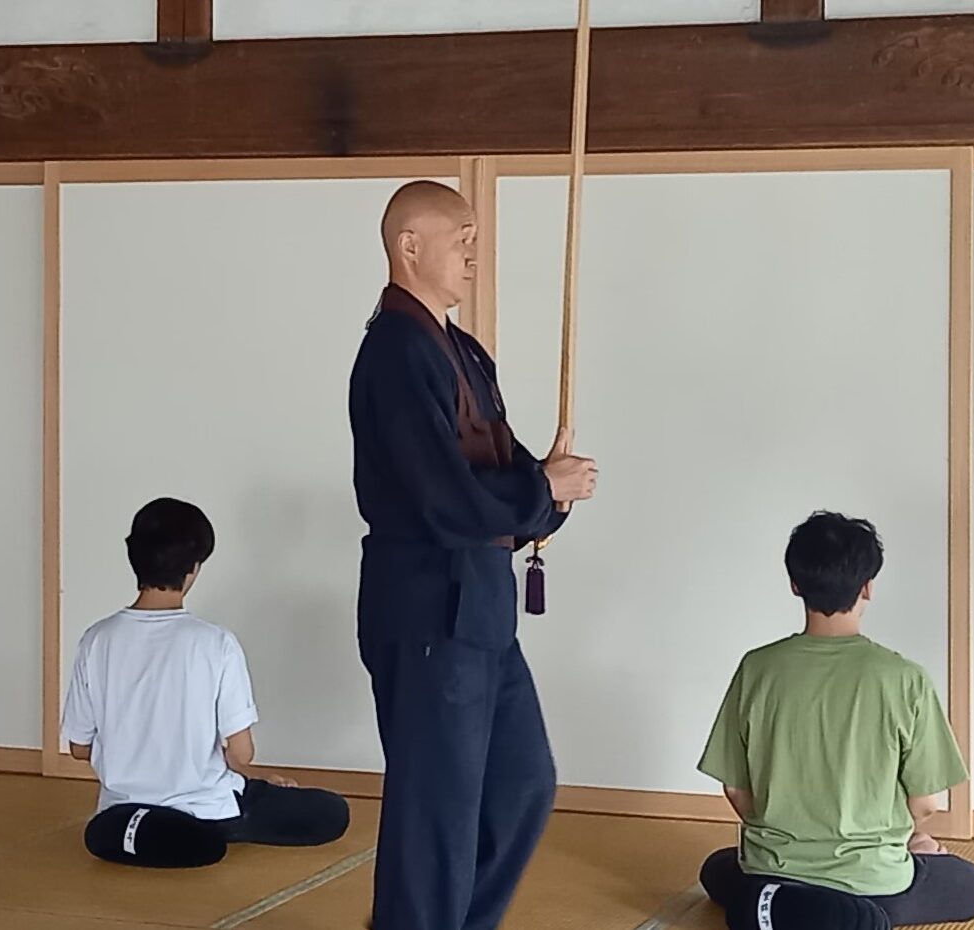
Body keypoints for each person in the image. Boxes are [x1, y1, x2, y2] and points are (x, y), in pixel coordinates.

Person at [348, 180, 599, 930]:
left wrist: (551, 492)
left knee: (523, 784)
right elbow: (444, 501)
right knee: (437, 811)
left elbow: (505, 477)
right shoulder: (393, 354)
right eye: (462, 241)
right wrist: (536, 492)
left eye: (475, 244)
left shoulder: (462, 352)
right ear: (409, 246)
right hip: (428, 605)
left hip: (481, 609)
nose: (473, 258)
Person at [697, 511, 974, 927]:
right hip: (872, 875)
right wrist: (910, 842)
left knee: (718, 869)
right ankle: (858, 912)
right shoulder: (904, 678)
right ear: (868, 586)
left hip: (775, 869)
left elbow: (735, 787)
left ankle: (787, 906)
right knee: (971, 884)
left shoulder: (757, 668)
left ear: (795, 584)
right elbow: (924, 804)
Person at [61, 497, 350, 868]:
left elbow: (79, 748)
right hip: (211, 806)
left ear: (134, 556)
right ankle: (193, 829)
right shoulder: (216, 643)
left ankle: (146, 830)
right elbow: (240, 755)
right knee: (331, 811)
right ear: (193, 568)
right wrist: (262, 778)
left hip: (120, 805)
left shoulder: (96, 640)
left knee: (135, 823)